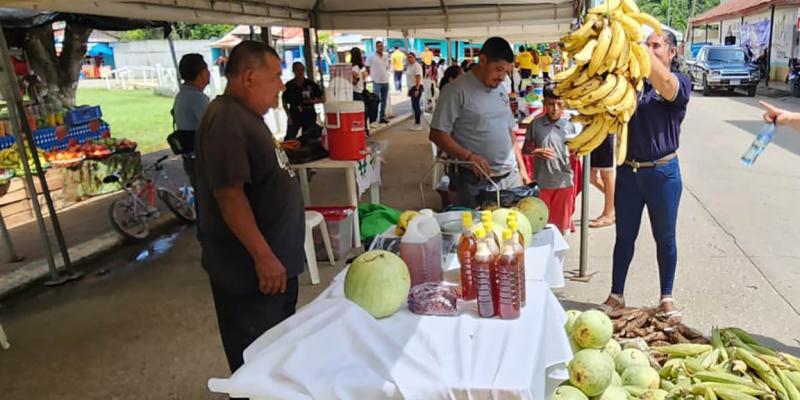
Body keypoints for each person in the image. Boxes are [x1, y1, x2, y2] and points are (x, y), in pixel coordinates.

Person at [194, 40, 304, 373]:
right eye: (275, 76)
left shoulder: (243, 116)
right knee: (256, 361)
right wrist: (264, 256)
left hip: (273, 270)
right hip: (251, 274)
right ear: (249, 77)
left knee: (277, 356)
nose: (281, 85)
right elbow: (230, 196)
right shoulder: (227, 121)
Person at [600, 31, 691, 323]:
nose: (648, 50)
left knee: (665, 238)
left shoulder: (679, 84)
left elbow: (666, 84)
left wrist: (641, 53)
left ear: (671, 53)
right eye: (645, 45)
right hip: (628, 171)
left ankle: (666, 296)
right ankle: (616, 295)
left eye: (655, 46)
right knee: (624, 237)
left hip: (662, 174)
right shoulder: (630, 86)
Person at [430, 37, 531, 208]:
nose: (501, 77)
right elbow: (437, 134)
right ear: (482, 60)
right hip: (476, 181)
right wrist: (469, 157)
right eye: (498, 69)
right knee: (479, 232)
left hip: (509, 177)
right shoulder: (455, 91)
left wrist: (522, 168)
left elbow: (509, 131)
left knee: (511, 229)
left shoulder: (500, 89)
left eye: (505, 71)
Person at [522, 85, 575, 234]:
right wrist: (535, 151)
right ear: (544, 103)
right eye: (551, 104)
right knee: (541, 226)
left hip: (564, 183)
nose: (555, 109)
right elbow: (525, 149)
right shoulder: (535, 125)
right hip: (542, 183)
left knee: (560, 229)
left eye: (559, 104)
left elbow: (577, 152)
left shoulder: (569, 126)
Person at [172, 53, 210, 189]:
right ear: (200, 74)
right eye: (207, 70)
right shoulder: (196, 98)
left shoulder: (182, 95)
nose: (209, 73)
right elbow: (214, 127)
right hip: (200, 160)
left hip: (191, 159)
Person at [281, 62, 325, 143]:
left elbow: (322, 98)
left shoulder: (310, 84)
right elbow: (284, 102)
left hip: (308, 112)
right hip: (295, 112)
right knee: (290, 136)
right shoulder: (289, 85)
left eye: (302, 69)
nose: (300, 72)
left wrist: (313, 101)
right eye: (297, 70)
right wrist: (289, 117)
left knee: (309, 135)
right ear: (293, 71)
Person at [588, 134, 616, 228]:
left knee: (606, 175)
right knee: (590, 176)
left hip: (605, 131)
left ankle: (608, 215)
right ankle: (619, 202)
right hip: (590, 133)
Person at [366, 41, 391, 124]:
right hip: (376, 81)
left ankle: (382, 117)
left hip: (385, 80)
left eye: (382, 46)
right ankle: (374, 118)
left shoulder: (386, 55)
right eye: (379, 46)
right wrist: (371, 75)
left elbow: (387, 66)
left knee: (384, 100)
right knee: (375, 100)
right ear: (376, 47)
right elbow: (367, 66)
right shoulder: (371, 56)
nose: (381, 47)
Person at [351, 47, 372, 131]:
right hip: (357, 91)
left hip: (359, 91)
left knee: (364, 110)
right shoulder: (356, 67)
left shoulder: (358, 66)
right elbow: (356, 77)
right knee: (364, 110)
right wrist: (356, 79)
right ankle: (363, 129)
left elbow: (364, 74)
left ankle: (364, 128)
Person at [406, 52, 424, 131]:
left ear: (414, 58)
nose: (409, 59)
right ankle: (416, 122)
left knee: (416, 105)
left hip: (416, 87)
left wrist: (417, 89)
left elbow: (418, 77)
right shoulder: (409, 66)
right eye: (408, 57)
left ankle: (418, 123)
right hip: (411, 87)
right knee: (414, 105)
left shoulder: (416, 66)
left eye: (410, 57)